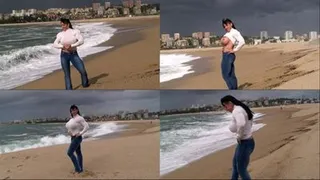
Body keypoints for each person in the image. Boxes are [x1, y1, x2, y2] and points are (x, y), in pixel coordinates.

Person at [220, 95, 255, 180]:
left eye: (225, 106)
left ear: (230, 103)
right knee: (235, 165)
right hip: (246, 142)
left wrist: (239, 136)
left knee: (241, 169)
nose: (225, 108)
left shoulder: (237, 110)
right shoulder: (240, 108)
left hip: (245, 143)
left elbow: (241, 123)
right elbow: (248, 123)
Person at [53, 18, 89, 90]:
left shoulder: (75, 32)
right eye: (61, 25)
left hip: (73, 54)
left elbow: (81, 41)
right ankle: (69, 90)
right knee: (67, 74)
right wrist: (62, 47)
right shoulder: (60, 34)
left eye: (63, 25)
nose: (62, 27)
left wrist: (71, 46)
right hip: (64, 55)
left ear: (68, 24)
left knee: (82, 71)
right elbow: (55, 44)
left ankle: (85, 84)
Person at [221, 18, 245, 90]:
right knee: (231, 74)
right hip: (225, 55)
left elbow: (242, 42)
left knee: (226, 75)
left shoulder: (234, 32)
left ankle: (232, 89)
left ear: (231, 24)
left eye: (226, 25)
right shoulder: (228, 33)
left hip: (229, 55)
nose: (225, 27)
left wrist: (234, 50)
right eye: (224, 26)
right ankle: (234, 89)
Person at [65, 105, 89, 173]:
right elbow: (69, 128)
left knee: (69, 153)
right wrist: (69, 132)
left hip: (77, 138)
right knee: (78, 153)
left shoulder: (79, 118)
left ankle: (78, 169)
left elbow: (87, 126)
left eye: (75, 109)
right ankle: (80, 168)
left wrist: (80, 133)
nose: (74, 111)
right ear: (71, 111)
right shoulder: (71, 119)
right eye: (72, 110)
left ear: (77, 110)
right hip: (72, 138)